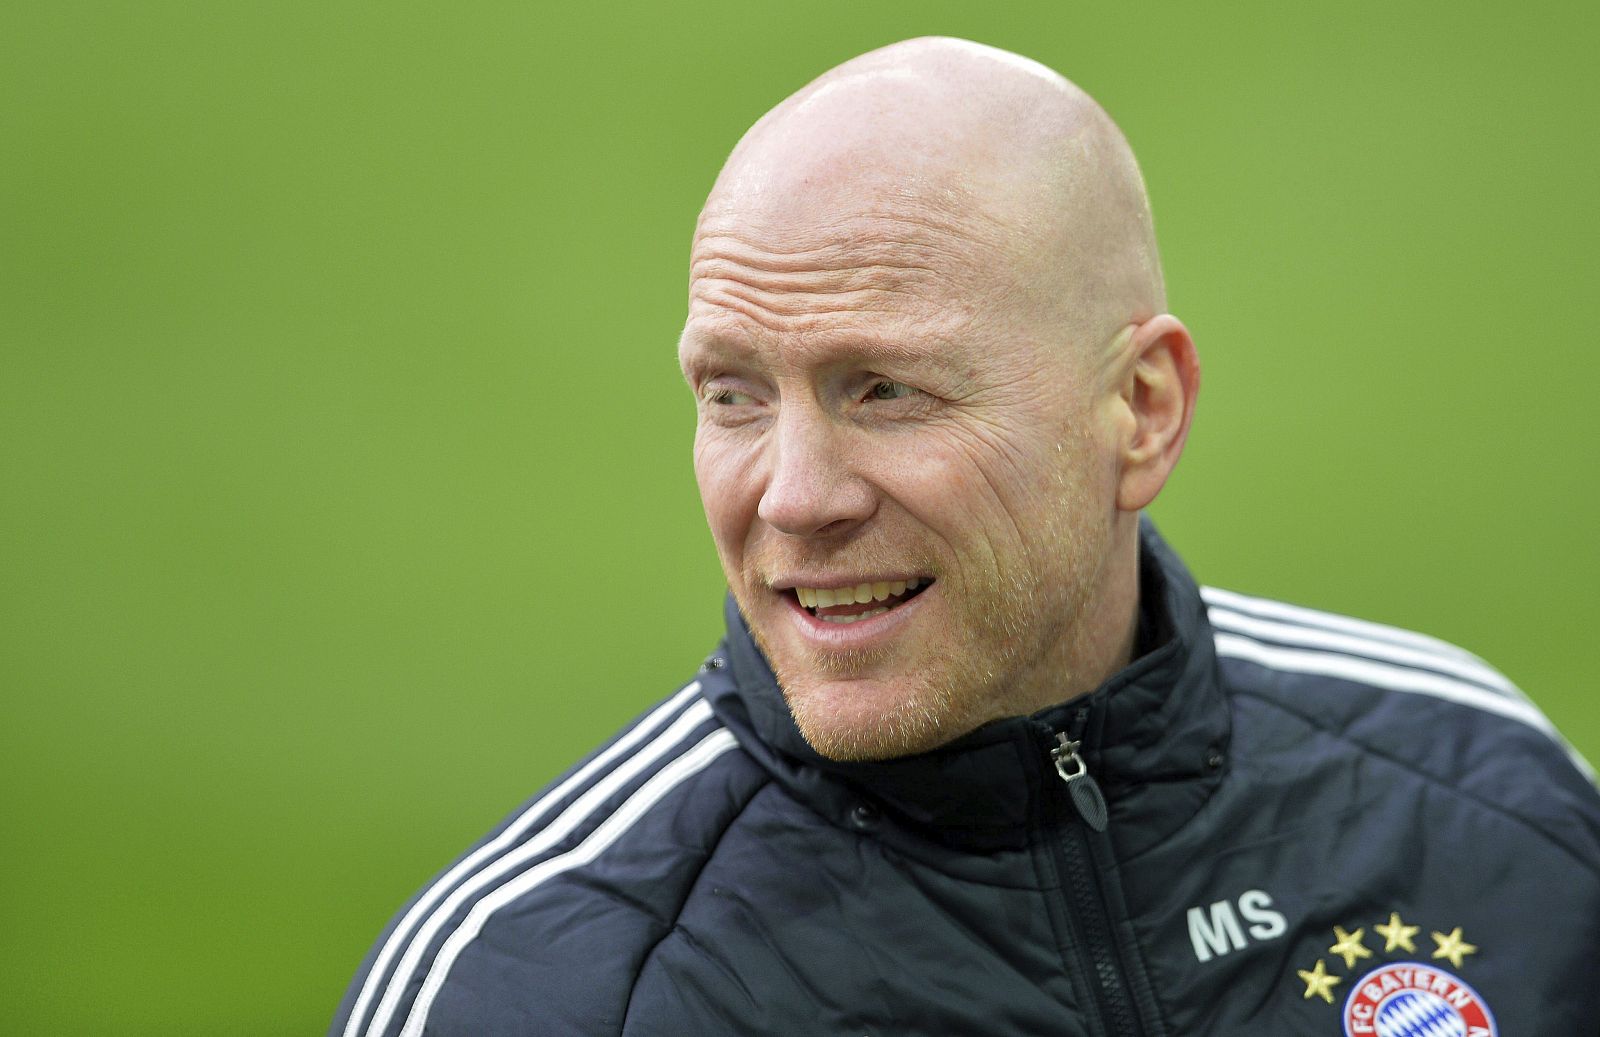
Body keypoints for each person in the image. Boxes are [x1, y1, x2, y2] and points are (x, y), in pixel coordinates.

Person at [332, 37, 1600, 1037]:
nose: (792, 497)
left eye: (885, 389)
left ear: (1140, 410)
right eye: (733, 393)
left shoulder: (1486, 804)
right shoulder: (536, 983)